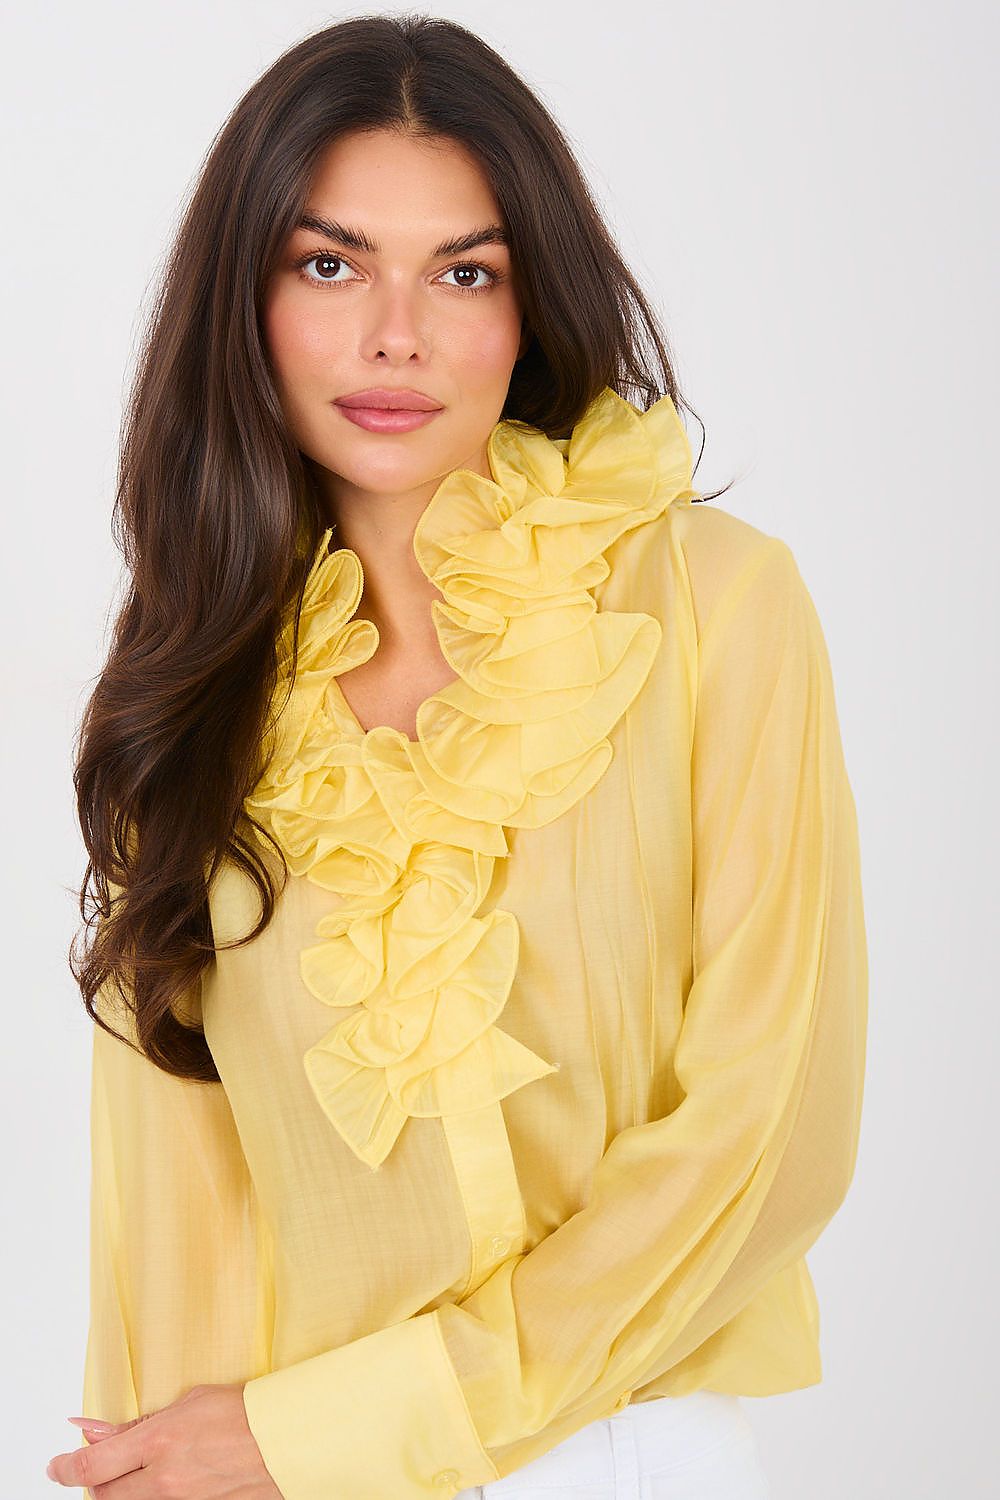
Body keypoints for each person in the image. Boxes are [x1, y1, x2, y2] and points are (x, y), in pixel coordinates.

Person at [46, 13, 868, 1500]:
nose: (394, 338)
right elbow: (174, 1225)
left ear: (529, 302)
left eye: (464, 271)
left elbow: (768, 1134)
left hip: (624, 1461)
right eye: (330, 262)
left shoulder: (715, 610)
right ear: (248, 296)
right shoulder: (187, 698)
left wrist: (371, 1423)